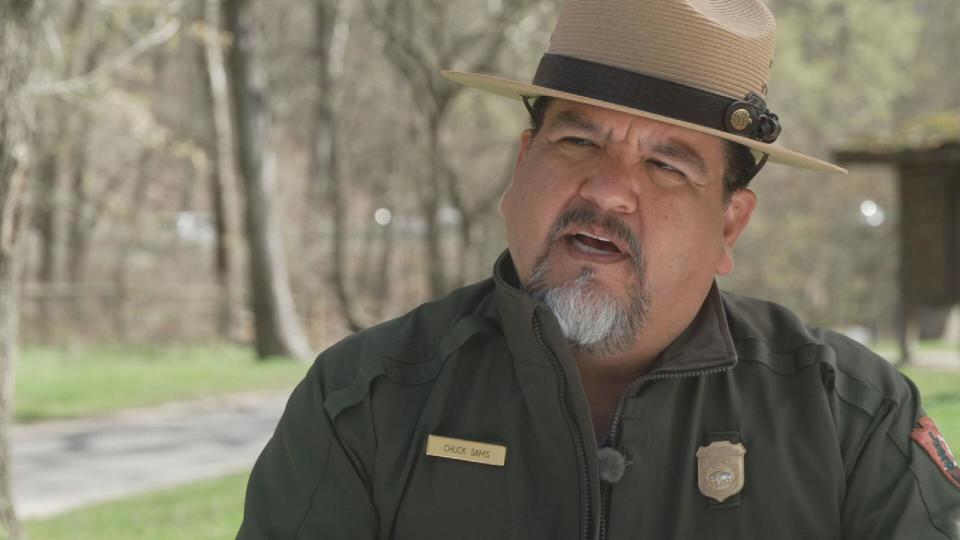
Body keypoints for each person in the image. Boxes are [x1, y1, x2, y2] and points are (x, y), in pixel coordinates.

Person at [237, 0, 960, 538]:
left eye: (667, 164)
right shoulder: (366, 403)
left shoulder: (850, 419)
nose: (609, 189)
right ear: (522, 168)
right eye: (578, 140)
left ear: (729, 224)